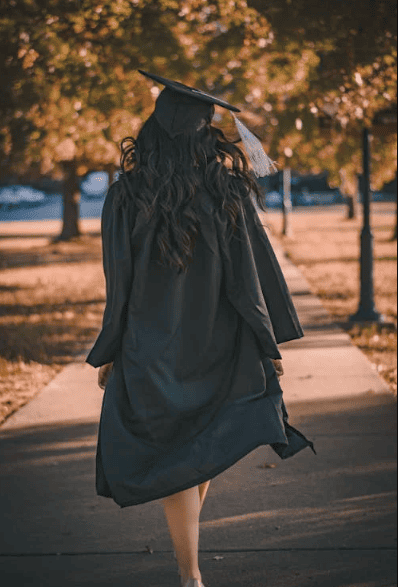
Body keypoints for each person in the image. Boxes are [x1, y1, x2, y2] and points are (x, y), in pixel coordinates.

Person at [86, 70, 316, 587]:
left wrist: (112, 349)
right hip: (218, 344)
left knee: (182, 455)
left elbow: (116, 283)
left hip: (152, 345)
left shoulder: (126, 196)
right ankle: (189, 574)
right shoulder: (226, 192)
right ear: (204, 135)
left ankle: (189, 576)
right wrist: (265, 341)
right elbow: (250, 278)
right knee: (189, 455)